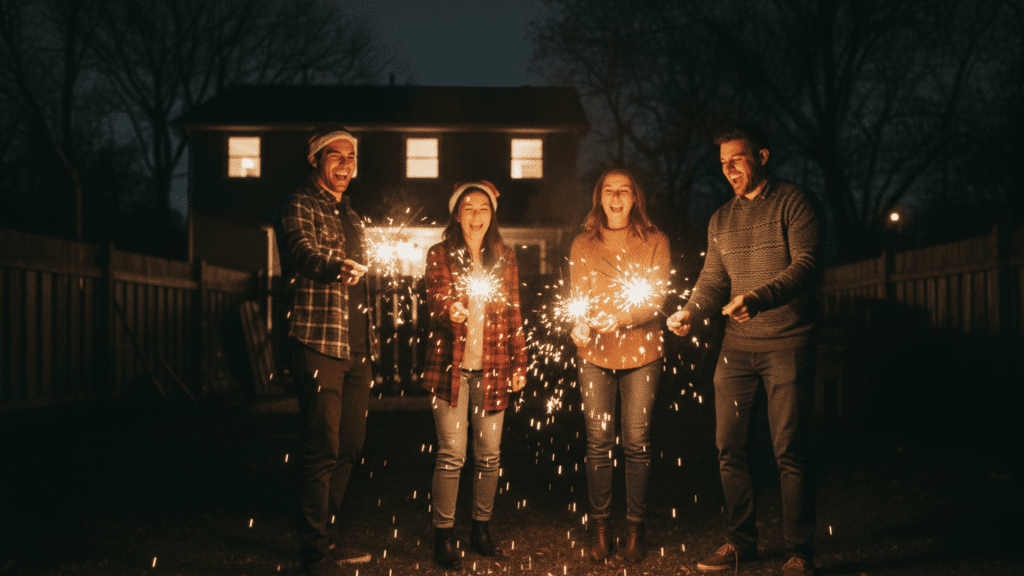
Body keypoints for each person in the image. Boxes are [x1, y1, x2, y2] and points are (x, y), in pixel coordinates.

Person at [666, 122, 820, 576]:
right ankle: (740, 542)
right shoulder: (720, 219)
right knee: (728, 446)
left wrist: (759, 297)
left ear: (763, 157)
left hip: (788, 341)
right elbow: (714, 280)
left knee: (789, 447)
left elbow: (806, 264)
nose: (729, 168)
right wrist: (691, 313)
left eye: (737, 158)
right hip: (736, 349)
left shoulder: (794, 202)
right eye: (722, 163)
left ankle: (799, 551)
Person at [275, 126, 380, 576]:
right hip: (319, 341)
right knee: (322, 445)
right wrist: (335, 265)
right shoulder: (300, 203)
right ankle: (313, 555)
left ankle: (327, 537)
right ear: (316, 159)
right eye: (335, 156)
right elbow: (301, 252)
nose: (345, 165)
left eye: (352, 158)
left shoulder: (354, 217)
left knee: (351, 444)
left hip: (357, 346)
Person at [422, 181, 528, 570]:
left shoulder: (505, 257)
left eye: (483, 207)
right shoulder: (440, 254)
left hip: (494, 367)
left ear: (492, 213)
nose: (476, 214)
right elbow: (436, 296)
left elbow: (514, 311)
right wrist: (450, 309)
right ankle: (444, 534)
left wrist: (521, 364)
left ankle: (480, 528)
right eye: (468, 207)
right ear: (456, 214)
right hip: (448, 368)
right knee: (452, 454)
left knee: (489, 455)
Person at [569, 169, 671, 567]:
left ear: (635, 199)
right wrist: (578, 324)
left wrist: (622, 318)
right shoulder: (582, 244)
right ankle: (599, 529)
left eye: (623, 191)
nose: (615, 197)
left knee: (637, 441)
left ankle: (634, 532)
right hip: (594, 354)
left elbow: (657, 296)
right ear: (599, 198)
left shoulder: (655, 241)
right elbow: (577, 297)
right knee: (597, 441)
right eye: (608, 191)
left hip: (642, 352)